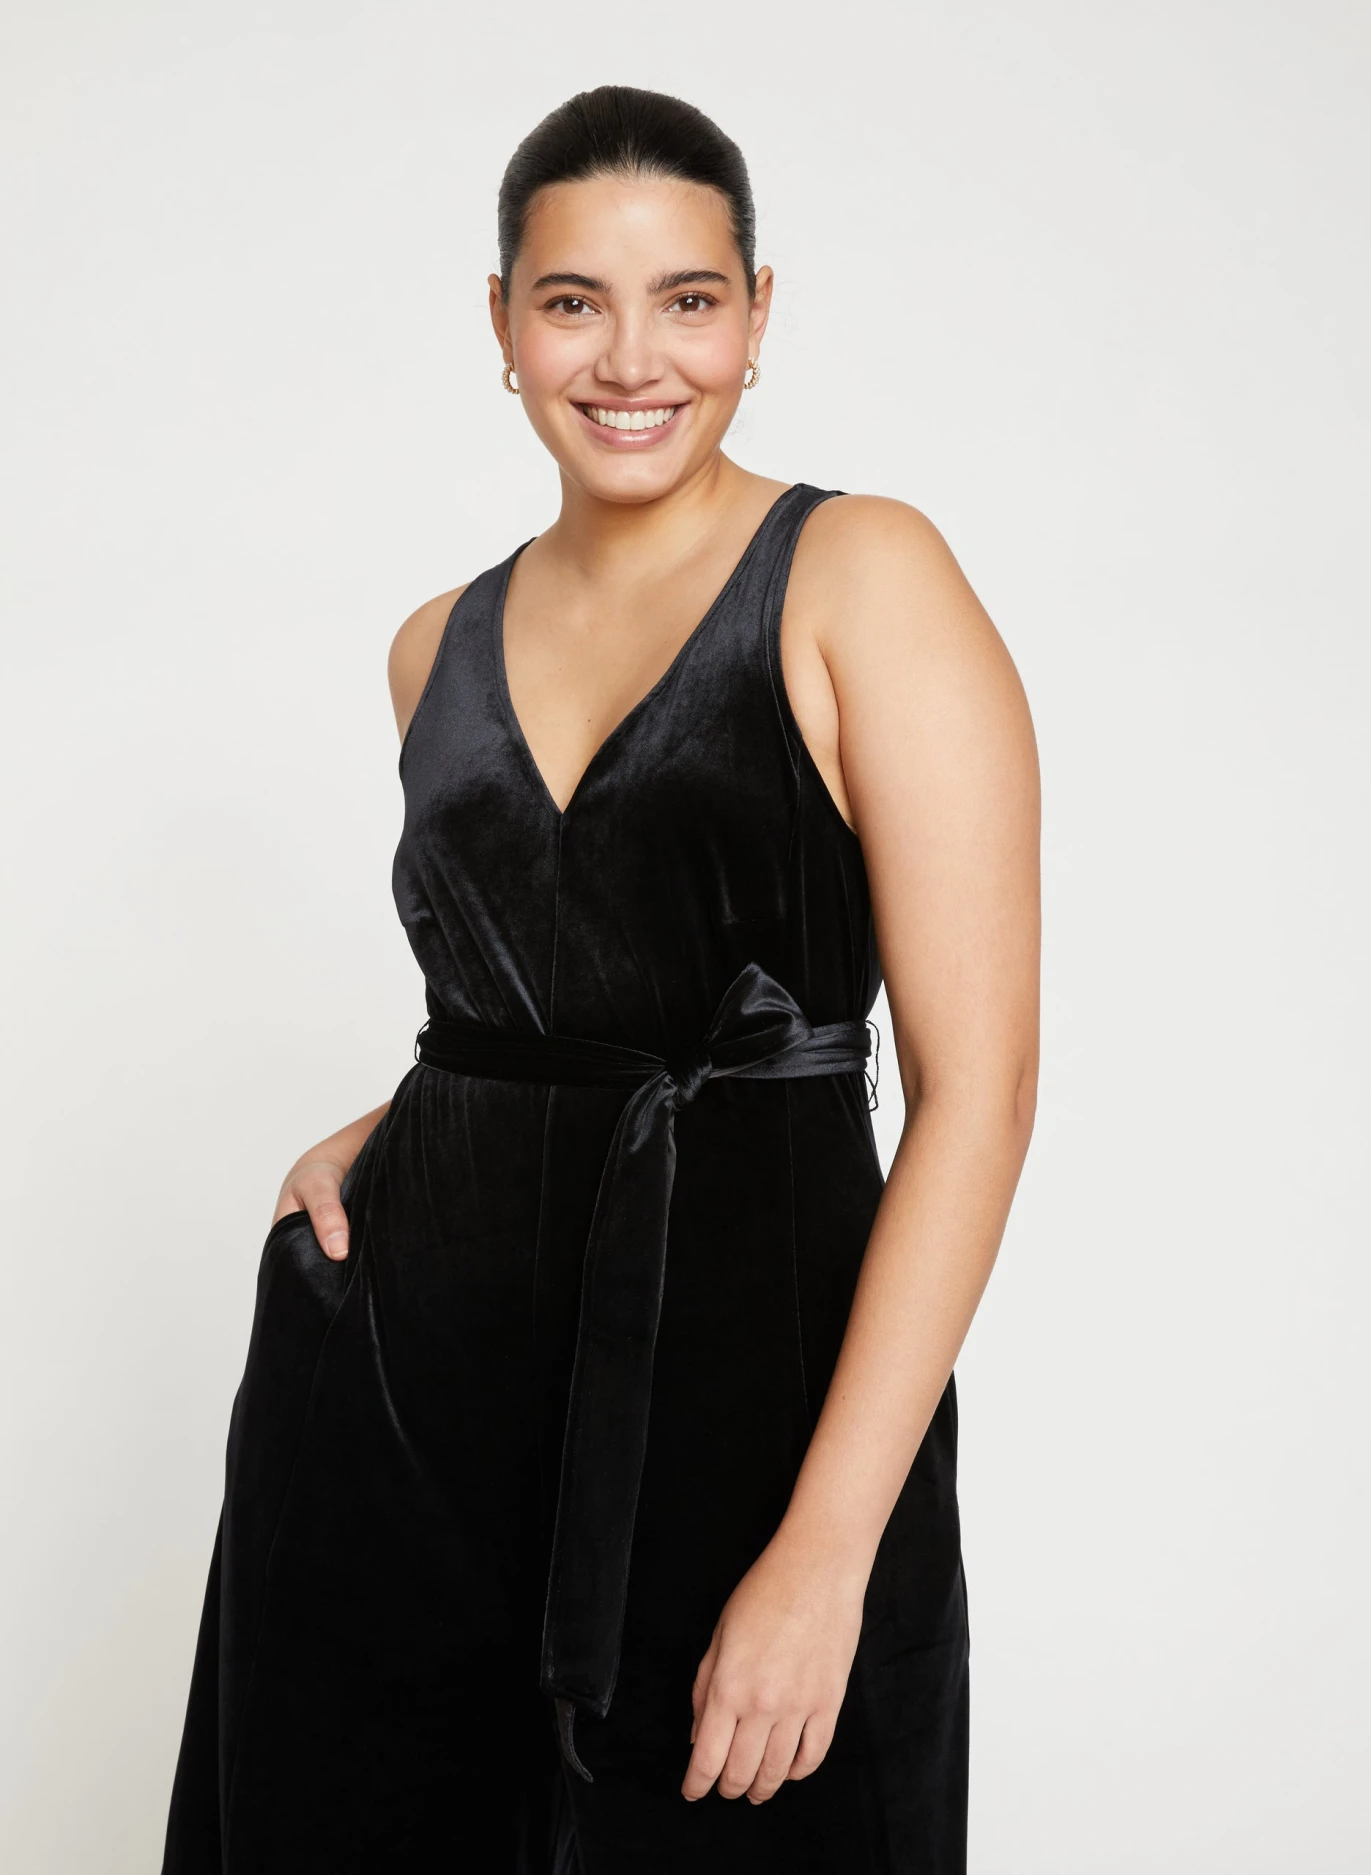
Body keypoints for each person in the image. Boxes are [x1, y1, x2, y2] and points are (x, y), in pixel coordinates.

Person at [162, 83, 1040, 1875]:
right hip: (406, 1418)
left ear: (758, 313)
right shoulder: (434, 646)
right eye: (573, 301)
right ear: (501, 323)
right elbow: (557, 995)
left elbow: (982, 1092)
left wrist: (826, 1554)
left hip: (751, 1411)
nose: (632, 359)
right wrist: (402, 1120)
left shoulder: (860, 572)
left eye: (687, 299)